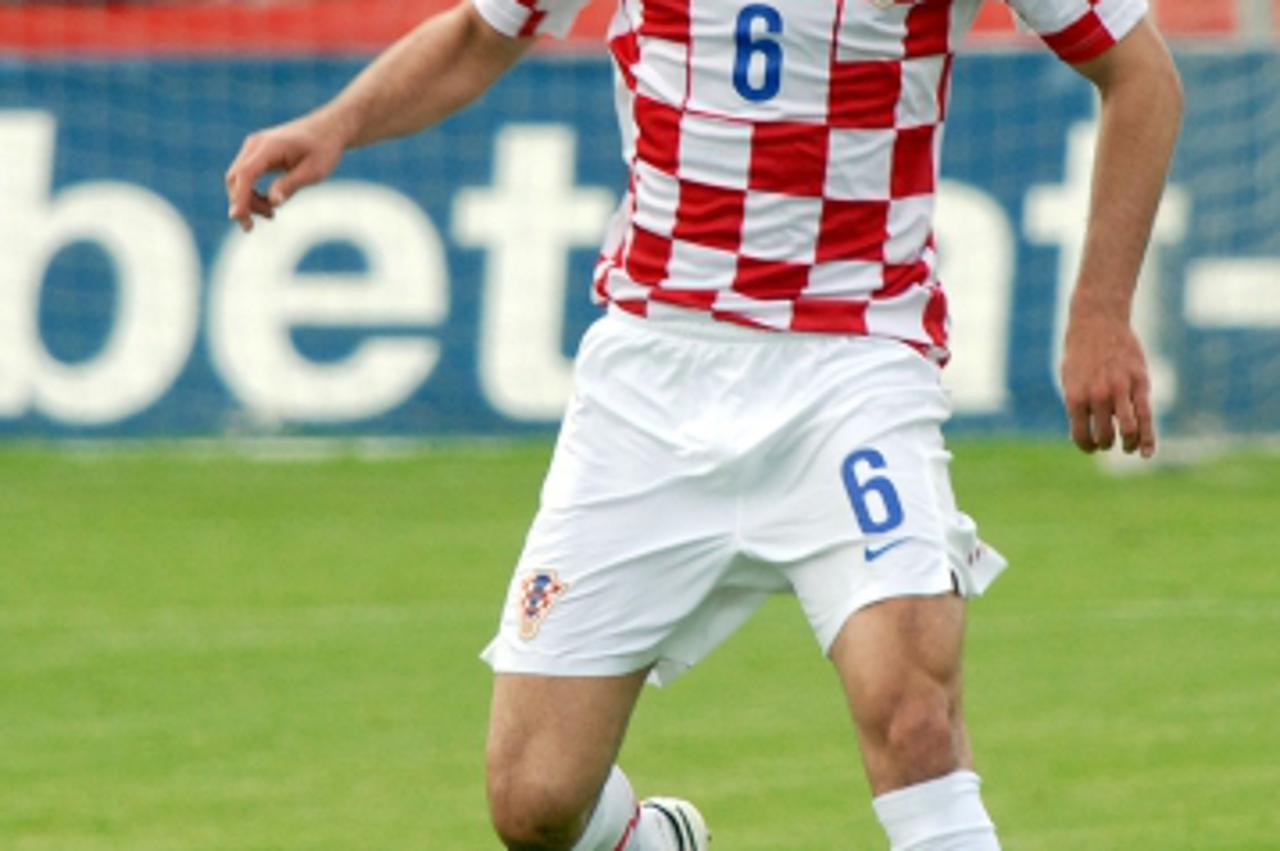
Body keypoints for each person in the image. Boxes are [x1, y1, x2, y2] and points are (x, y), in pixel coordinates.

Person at [225, 0, 1182, 847]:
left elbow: (1141, 74)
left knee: (913, 719)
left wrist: (1099, 311)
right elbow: (483, 33)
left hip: (850, 370)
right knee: (534, 804)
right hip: (651, 378)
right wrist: (335, 124)